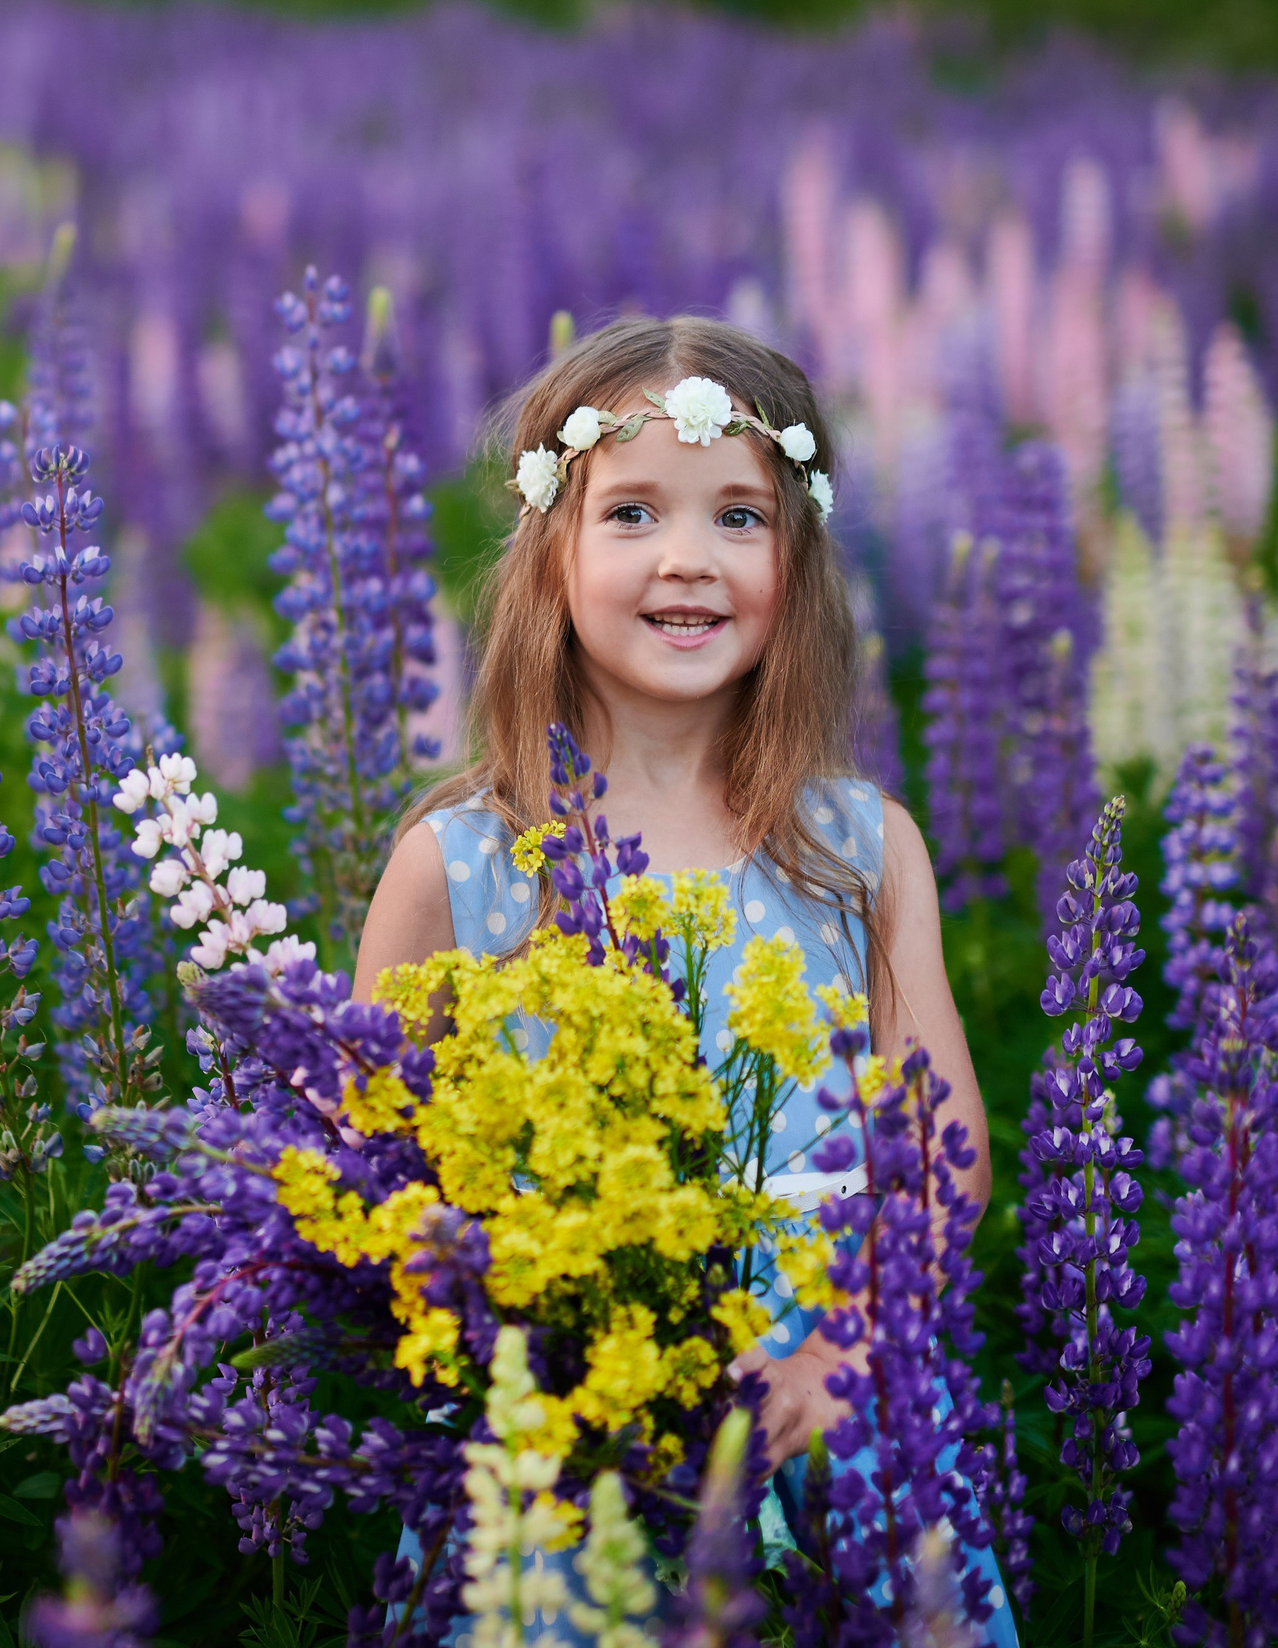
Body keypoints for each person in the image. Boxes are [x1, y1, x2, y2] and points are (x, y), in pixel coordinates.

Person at [353, 314, 1018, 1643]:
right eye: (634, 512)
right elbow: (379, 1176)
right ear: (551, 555)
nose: (686, 560)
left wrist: (848, 1348)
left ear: (799, 562)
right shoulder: (460, 866)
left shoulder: (860, 850)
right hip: (560, 1438)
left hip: (829, 1405)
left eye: (739, 519)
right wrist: (540, 1346)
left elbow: (946, 1159)